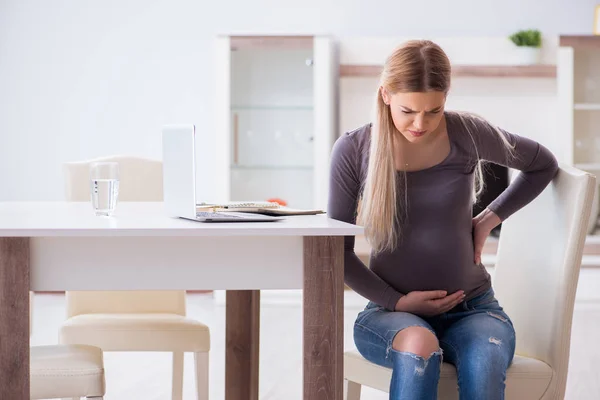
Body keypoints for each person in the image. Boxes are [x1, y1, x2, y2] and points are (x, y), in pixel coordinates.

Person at [327, 39, 558, 400]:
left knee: (484, 361)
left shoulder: (466, 133)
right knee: (419, 344)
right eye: (408, 111)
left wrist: (488, 218)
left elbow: (542, 164)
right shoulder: (354, 148)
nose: (421, 124)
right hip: (389, 313)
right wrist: (399, 302)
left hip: (475, 309)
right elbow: (336, 254)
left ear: (446, 98)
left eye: (433, 111)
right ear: (385, 95)